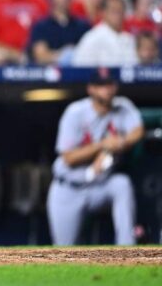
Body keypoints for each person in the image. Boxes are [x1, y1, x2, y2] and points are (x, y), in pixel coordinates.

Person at [47, 69, 143, 246]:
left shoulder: (123, 106)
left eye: (109, 84)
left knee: (121, 184)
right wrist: (103, 145)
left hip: (100, 187)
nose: (106, 89)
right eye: (101, 85)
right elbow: (69, 158)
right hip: (69, 188)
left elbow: (137, 131)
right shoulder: (75, 112)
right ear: (91, 89)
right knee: (63, 250)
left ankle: (127, 248)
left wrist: (120, 143)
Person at [28, 0, 90, 66]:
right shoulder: (41, 26)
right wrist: (64, 55)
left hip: (79, 72)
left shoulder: (83, 26)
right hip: (51, 72)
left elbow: (90, 53)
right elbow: (41, 57)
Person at [72, 0, 138, 67]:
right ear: (103, 12)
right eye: (113, 11)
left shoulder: (129, 39)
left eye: (120, 11)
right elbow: (81, 68)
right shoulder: (92, 37)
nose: (118, 14)